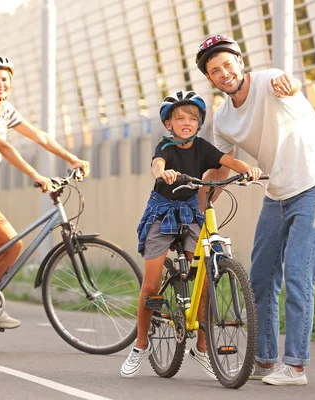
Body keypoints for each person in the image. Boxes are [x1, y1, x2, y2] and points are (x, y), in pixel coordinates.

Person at [195, 34, 315, 386]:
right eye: (215, 70)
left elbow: (289, 85)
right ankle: (263, 359)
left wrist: (289, 83)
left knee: (297, 274)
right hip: (276, 191)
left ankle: (295, 366)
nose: (224, 73)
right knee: (260, 277)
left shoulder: (270, 81)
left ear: (240, 62)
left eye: (227, 64)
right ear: (210, 79)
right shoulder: (223, 118)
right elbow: (220, 166)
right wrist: (199, 199)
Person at [0, 55, 90, 355]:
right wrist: (36, 176)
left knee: (12, 246)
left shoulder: (6, 110)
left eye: (4, 79)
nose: (0, 84)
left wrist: (71, 158)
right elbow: (3, 146)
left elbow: (38, 136)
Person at [120, 90, 262, 378]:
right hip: (162, 213)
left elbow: (226, 161)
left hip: (190, 211)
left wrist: (248, 169)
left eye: (193, 118)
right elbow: (157, 163)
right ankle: (141, 344)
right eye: (179, 118)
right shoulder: (166, 147)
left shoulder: (202, 147)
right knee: (151, 284)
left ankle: (201, 346)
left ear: (199, 123)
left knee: (206, 278)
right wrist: (163, 173)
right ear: (169, 124)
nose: (187, 122)